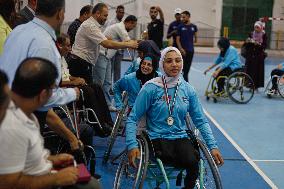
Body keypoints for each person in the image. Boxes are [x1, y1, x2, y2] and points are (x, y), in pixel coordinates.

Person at [126, 47, 224, 189]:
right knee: (166, 160)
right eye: (169, 61)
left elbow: (200, 120)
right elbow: (132, 117)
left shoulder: (188, 89)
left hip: (179, 136)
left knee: (193, 162)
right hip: (156, 137)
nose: (174, 64)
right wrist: (131, 144)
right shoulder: (151, 88)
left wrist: (213, 146)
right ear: (162, 64)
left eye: (178, 61)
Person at [0, 58, 101, 189]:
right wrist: (56, 179)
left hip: (41, 172)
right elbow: (9, 183)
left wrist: (51, 160)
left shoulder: (27, 113)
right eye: (53, 91)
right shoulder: (14, 127)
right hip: (40, 181)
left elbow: (24, 160)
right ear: (43, 94)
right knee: (91, 186)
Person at [0, 0, 82, 151]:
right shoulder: (44, 45)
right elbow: (43, 97)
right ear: (60, 14)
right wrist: (72, 94)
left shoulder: (17, 31)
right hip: (25, 122)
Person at [68, 3, 138, 85]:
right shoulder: (90, 26)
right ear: (97, 14)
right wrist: (129, 45)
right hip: (81, 63)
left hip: (85, 62)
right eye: (105, 15)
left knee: (100, 85)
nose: (106, 18)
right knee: (93, 88)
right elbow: (107, 44)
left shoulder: (94, 25)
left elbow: (105, 41)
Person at [58, 34, 113, 136]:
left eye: (70, 46)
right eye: (68, 46)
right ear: (59, 45)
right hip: (62, 90)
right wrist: (73, 82)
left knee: (96, 87)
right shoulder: (53, 60)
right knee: (88, 91)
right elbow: (56, 82)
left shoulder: (62, 58)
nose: (70, 49)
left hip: (69, 85)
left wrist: (77, 79)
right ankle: (99, 126)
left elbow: (67, 75)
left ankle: (108, 122)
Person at [94, 15, 137, 111]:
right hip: (101, 55)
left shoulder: (120, 27)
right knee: (99, 83)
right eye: (133, 26)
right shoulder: (120, 27)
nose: (133, 28)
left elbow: (130, 43)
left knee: (107, 82)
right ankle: (96, 106)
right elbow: (129, 42)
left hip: (107, 57)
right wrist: (141, 44)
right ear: (129, 22)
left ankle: (108, 105)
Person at [244, 21, 267, 91]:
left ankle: (256, 86)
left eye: (258, 27)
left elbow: (264, 46)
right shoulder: (251, 34)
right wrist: (247, 42)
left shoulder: (264, 35)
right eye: (255, 27)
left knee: (257, 71)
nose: (256, 29)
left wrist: (258, 44)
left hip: (258, 56)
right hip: (250, 55)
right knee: (249, 70)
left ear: (261, 28)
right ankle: (249, 85)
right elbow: (246, 45)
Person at [176, 11, 198, 82]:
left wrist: (191, 43)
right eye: (182, 17)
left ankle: (185, 87)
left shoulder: (194, 27)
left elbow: (196, 39)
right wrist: (181, 49)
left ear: (188, 17)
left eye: (184, 17)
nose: (182, 18)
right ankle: (178, 85)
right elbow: (177, 40)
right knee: (179, 70)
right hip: (182, 51)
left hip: (190, 51)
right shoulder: (180, 27)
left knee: (186, 71)